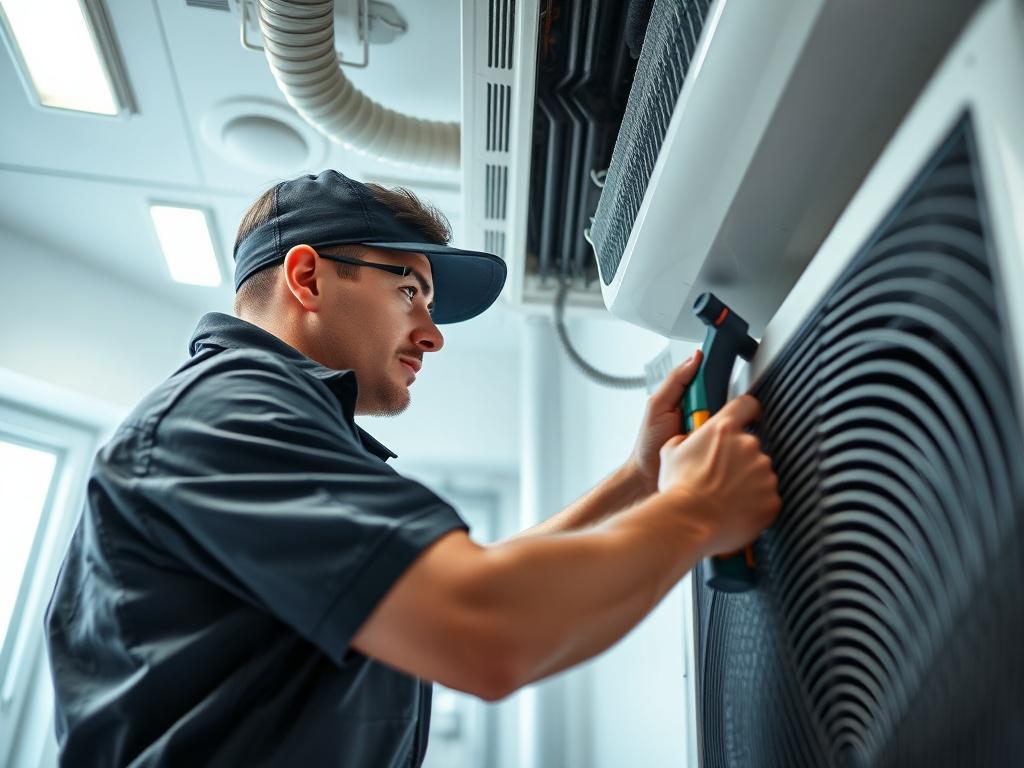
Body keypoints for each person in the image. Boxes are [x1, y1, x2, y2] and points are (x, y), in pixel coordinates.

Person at [44, 170, 781, 766]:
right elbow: (484, 627)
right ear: (307, 278)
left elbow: (460, 582)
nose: (431, 335)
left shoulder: (263, 421)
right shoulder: (229, 417)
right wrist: (695, 513)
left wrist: (639, 482)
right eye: (409, 291)